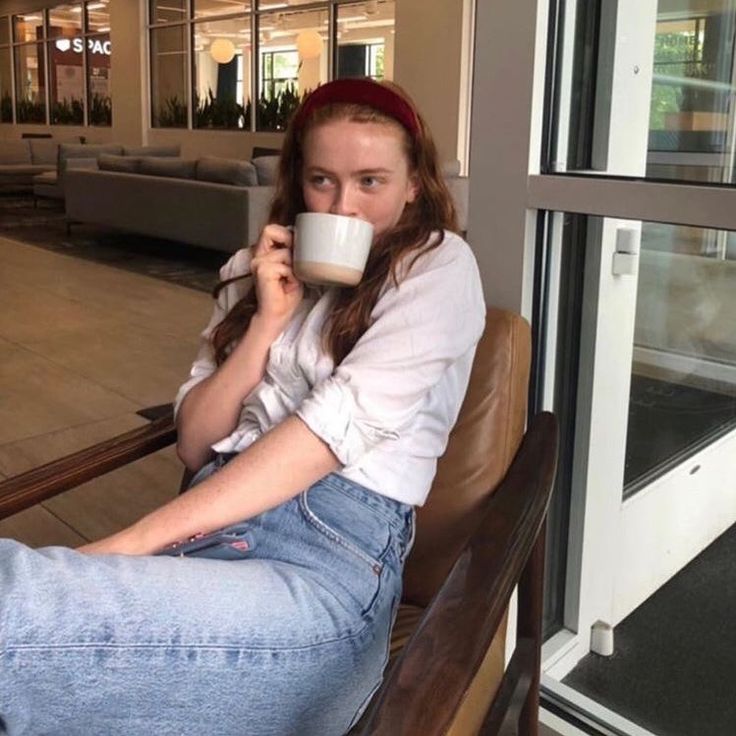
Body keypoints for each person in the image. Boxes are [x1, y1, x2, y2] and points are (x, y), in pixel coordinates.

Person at [0, 78, 485, 736]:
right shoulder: (250, 270)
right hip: (206, 535)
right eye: (322, 181)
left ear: (414, 186)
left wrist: (129, 543)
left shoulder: (436, 269)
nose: (342, 209)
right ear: (297, 183)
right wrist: (264, 324)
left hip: (320, 571)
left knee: (16, 604)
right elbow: (195, 445)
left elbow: (327, 434)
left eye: (370, 181)